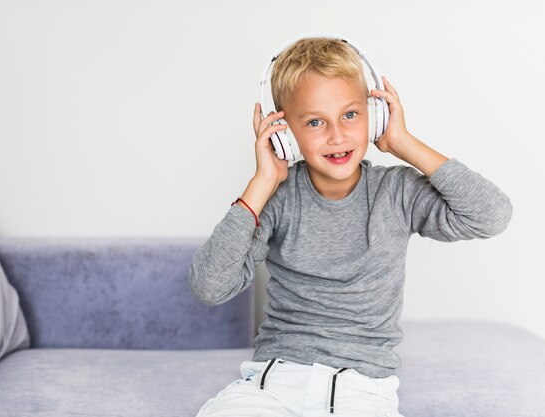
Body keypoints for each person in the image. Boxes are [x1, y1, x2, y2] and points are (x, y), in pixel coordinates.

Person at [188, 37, 512, 417]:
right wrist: (262, 183)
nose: (337, 135)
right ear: (284, 133)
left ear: (375, 116)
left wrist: (402, 142)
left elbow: (491, 215)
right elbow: (209, 287)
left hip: (362, 391)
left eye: (350, 115)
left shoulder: (397, 191)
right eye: (314, 122)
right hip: (274, 383)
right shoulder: (277, 198)